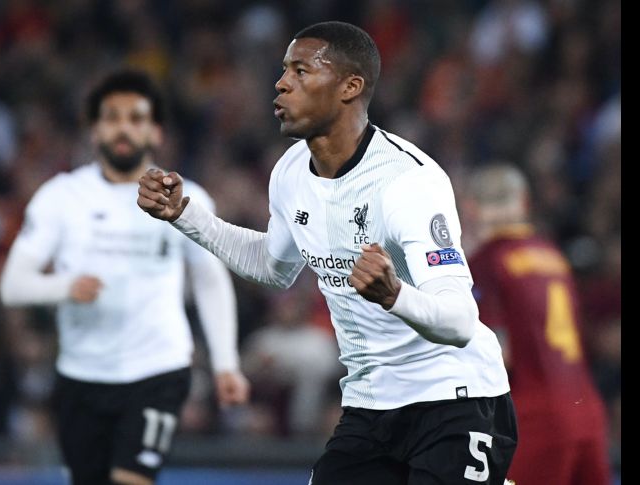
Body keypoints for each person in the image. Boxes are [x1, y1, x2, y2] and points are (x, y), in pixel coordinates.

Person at [138, 21, 517, 485]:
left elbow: (460, 323)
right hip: (370, 404)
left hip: (455, 400)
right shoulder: (291, 172)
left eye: (300, 71)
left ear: (350, 87)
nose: (281, 83)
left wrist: (394, 294)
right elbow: (273, 268)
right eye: (284, 71)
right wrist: (186, 215)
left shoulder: (408, 182)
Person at [0, 69, 249, 485]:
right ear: (94, 131)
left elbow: (210, 280)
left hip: (158, 370)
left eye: (136, 119)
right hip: (81, 373)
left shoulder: (185, 197)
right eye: (112, 118)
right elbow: (12, 285)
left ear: (156, 133)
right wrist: (64, 287)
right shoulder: (61, 197)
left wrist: (226, 363)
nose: (123, 129)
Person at [463, 163, 611, 485]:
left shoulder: (485, 263)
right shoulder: (553, 256)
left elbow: (500, 355)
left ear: (471, 207)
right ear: (525, 202)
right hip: (587, 410)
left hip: (535, 419)